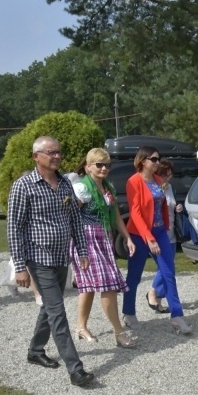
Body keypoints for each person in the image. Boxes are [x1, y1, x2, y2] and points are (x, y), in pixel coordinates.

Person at [7, 136, 94, 388]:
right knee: (57, 311)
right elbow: (14, 227)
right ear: (36, 156)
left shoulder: (66, 183)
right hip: (39, 258)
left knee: (49, 306)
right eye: (50, 152)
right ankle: (76, 370)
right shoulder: (24, 186)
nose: (57, 156)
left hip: (61, 257)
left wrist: (82, 250)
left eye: (59, 152)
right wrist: (20, 266)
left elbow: (75, 220)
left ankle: (35, 350)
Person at [69, 148, 137, 348]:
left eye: (107, 165)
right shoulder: (82, 188)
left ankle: (81, 326)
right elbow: (72, 217)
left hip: (104, 237)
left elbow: (115, 216)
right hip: (86, 239)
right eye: (99, 165)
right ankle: (119, 332)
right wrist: (76, 247)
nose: (104, 168)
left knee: (90, 286)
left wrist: (127, 238)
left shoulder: (108, 188)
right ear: (88, 166)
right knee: (108, 284)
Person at [122, 146, 191, 334]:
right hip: (139, 234)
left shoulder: (159, 180)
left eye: (158, 159)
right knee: (134, 276)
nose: (157, 162)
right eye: (154, 159)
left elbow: (161, 206)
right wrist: (148, 238)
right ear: (143, 161)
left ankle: (177, 316)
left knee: (168, 274)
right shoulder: (133, 182)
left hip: (160, 232)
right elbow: (135, 213)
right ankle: (128, 313)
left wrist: (165, 228)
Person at [147, 158, 183, 314]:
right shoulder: (154, 188)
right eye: (165, 175)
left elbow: (171, 205)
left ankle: (158, 300)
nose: (167, 178)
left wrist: (179, 208)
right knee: (166, 268)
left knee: (169, 268)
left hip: (172, 234)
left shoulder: (169, 188)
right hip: (158, 233)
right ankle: (153, 292)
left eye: (169, 175)